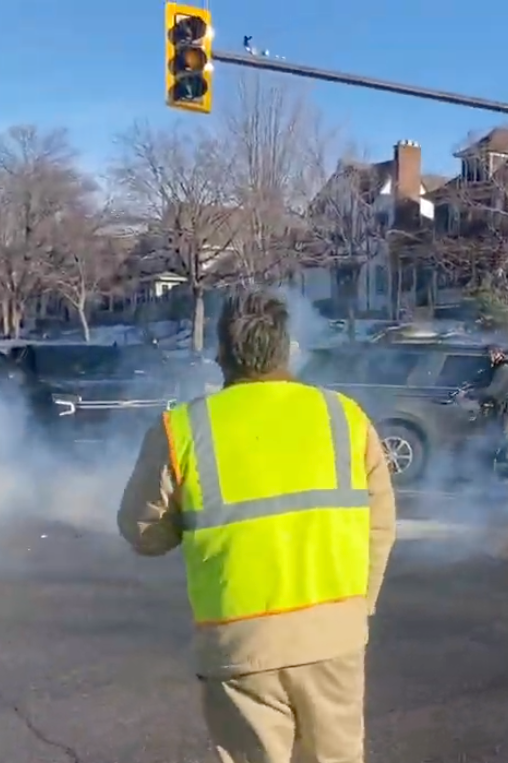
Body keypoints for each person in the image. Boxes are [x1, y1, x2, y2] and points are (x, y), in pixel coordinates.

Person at [117, 290, 396, 763]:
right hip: (336, 639)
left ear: (221, 354)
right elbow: (380, 524)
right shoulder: (344, 417)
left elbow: (141, 532)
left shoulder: (182, 428)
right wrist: (356, 608)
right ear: (288, 349)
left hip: (240, 646)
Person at [471, 345, 508, 497]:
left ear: (497, 354)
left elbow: (492, 391)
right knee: (491, 450)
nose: (488, 358)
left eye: (489, 354)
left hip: (507, 415)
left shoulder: (505, 370)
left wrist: (471, 394)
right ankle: (490, 485)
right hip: (501, 414)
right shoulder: (501, 369)